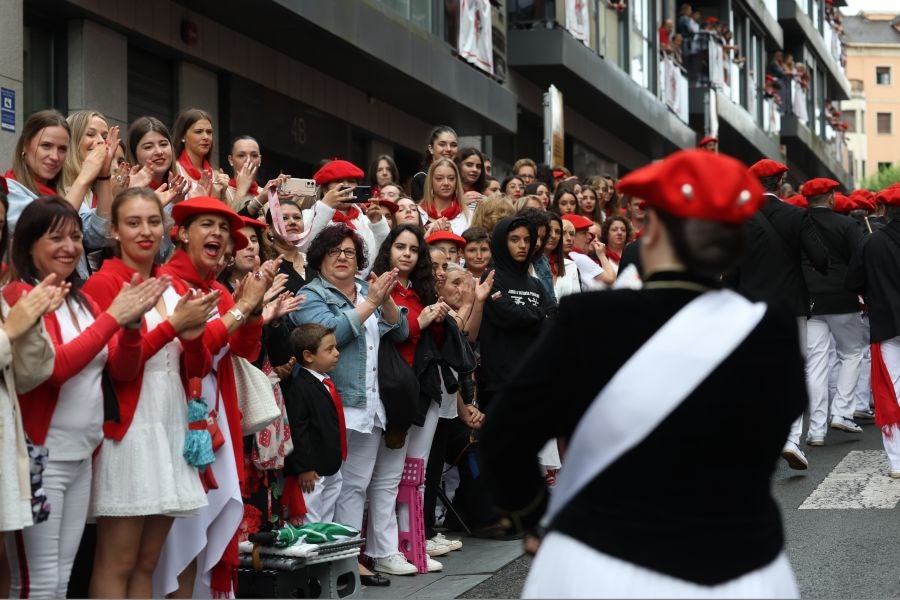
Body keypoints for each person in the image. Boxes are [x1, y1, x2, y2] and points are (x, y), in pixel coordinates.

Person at [482, 149, 805, 598]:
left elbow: (504, 437)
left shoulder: (588, 320)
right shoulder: (770, 329)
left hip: (597, 566)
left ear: (652, 233)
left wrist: (534, 519)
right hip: (743, 571)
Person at [4, 196, 166, 599]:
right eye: (55, 237)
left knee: (60, 580)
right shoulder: (19, 297)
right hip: (41, 457)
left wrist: (129, 326)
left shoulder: (82, 300)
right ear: (28, 245)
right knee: (36, 583)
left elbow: (122, 370)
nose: (69, 247)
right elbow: (54, 369)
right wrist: (113, 318)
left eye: (76, 237)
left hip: (82, 456)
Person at [82, 189, 219, 598]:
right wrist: (173, 327)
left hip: (171, 423)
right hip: (128, 430)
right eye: (134, 223)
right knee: (117, 561)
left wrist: (193, 338)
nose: (145, 232)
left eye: (153, 222)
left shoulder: (171, 283)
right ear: (114, 230)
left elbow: (196, 367)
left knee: (146, 562)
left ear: (165, 228)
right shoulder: (102, 283)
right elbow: (121, 369)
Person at [153, 197, 274, 599]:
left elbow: (245, 350)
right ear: (182, 233)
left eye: (224, 230)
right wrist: (242, 307)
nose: (218, 235)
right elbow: (198, 354)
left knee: (208, 538)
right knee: (181, 545)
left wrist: (251, 310)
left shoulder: (219, 290)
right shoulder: (166, 284)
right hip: (177, 429)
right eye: (207, 225)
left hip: (216, 429)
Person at [290, 224, 411, 581]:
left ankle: (348, 557)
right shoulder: (311, 294)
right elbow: (331, 335)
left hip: (371, 402)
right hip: (335, 403)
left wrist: (384, 297)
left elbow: (400, 331)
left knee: (355, 486)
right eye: (333, 252)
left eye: (349, 252)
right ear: (319, 258)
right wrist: (371, 302)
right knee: (328, 486)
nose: (342, 258)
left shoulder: (364, 288)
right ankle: (325, 561)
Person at [727, 159, 829, 470]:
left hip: (748, 305)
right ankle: (789, 438)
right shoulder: (797, 215)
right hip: (790, 304)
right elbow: (821, 259)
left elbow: (730, 268)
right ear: (782, 181)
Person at [798, 178, 866, 446]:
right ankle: (842, 411)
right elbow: (860, 259)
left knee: (815, 363)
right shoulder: (847, 224)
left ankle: (816, 431)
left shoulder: (797, 222)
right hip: (842, 297)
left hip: (809, 298)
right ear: (830, 197)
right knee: (851, 353)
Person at [847, 187, 900, 476]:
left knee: (890, 392)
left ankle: (897, 462)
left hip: (886, 325)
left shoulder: (871, 242)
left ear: (886, 211)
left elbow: (852, 282)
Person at [281, 323, 345, 524]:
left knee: (326, 520)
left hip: (331, 465)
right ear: (308, 356)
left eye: (335, 347)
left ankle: (323, 553)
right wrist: (304, 467)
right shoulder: (300, 388)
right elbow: (298, 430)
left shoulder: (325, 383)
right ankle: (309, 553)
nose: (336, 353)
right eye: (329, 349)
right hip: (312, 473)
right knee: (310, 521)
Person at [296, 159, 389, 278]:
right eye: (338, 181)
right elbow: (303, 247)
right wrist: (325, 207)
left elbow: (383, 256)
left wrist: (378, 223)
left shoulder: (366, 220)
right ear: (324, 189)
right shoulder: (307, 215)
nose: (346, 186)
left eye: (351, 181)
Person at [172, 108, 226, 199]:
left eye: (209, 132)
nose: (206, 137)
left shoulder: (216, 175)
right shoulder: (174, 170)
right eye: (198, 132)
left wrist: (223, 194)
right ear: (182, 136)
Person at [418, 158, 472, 236]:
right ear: (431, 182)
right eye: (439, 178)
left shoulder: (468, 216)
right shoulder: (417, 212)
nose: (446, 183)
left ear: (456, 182)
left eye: (451, 178)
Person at [411, 126, 459, 202]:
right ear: (431, 149)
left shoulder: (460, 176)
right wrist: (461, 203)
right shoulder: (421, 177)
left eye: (453, 145)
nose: (448, 149)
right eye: (442, 144)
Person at [543, 213, 579, 299]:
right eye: (549, 230)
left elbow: (576, 301)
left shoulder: (571, 265)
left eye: (558, 232)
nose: (553, 236)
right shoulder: (529, 264)